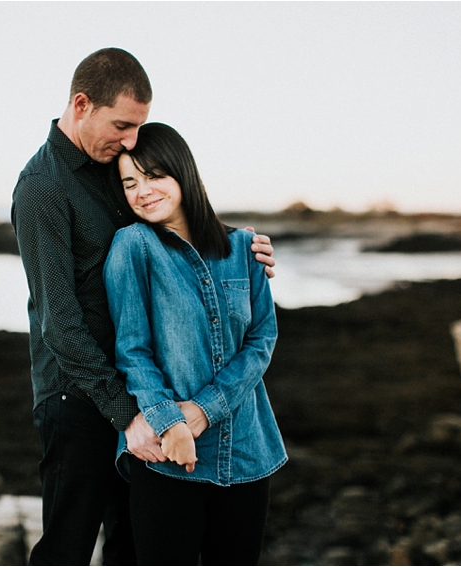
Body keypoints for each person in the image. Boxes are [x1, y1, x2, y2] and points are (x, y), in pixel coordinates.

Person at [11, 47, 276, 565]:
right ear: (82, 104)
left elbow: (169, 208)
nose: (131, 141)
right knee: (68, 543)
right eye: (123, 125)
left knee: (131, 546)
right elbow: (59, 323)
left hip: (141, 388)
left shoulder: (112, 161)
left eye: (140, 128)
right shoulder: (42, 187)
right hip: (79, 396)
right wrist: (128, 415)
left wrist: (237, 245)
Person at [103, 122, 287, 566]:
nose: (142, 191)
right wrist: (171, 423)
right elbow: (132, 351)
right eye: (130, 182)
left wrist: (205, 409)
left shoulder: (244, 246)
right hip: (166, 456)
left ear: (182, 173)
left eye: (153, 176)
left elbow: (263, 337)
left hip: (247, 451)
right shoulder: (133, 247)